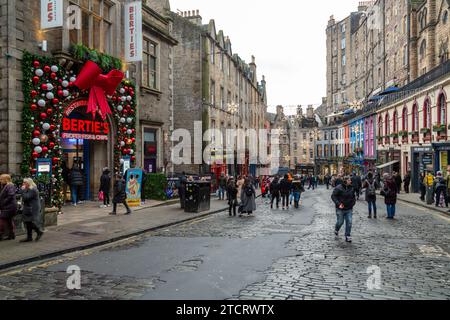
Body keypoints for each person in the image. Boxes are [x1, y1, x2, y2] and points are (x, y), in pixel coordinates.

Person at [331, 176, 356, 243]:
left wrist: (352, 204)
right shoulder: (338, 187)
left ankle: (347, 235)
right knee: (340, 222)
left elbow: (353, 197)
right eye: (349, 180)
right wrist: (338, 204)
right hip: (340, 208)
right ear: (345, 181)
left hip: (349, 208)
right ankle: (336, 229)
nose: (350, 181)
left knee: (349, 222)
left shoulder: (351, 188)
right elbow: (333, 196)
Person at [19, 178, 43, 242]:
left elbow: (26, 197)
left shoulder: (33, 189)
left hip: (32, 208)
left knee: (29, 221)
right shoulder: (28, 189)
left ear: (28, 183)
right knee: (27, 222)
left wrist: (23, 190)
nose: (23, 184)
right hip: (28, 207)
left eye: (24, 182)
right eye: (23, 182)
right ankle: (29, 237)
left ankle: (39, 231)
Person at [0, 174, 17, 241]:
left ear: (6, 179)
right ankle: (11, 235)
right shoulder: (5, 186)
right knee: (9, 220)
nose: (0, 180)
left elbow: (10, 195)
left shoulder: (10, 186)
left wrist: (3, 202)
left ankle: (1, 234)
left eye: (1, 179)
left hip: (9, 207)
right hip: (8, 207)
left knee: (2, 220)